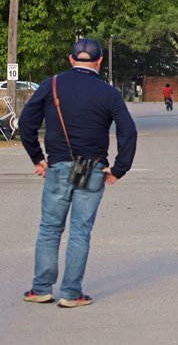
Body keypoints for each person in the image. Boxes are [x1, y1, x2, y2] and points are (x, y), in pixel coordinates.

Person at [19, 38, 137, 308]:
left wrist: (38, 158)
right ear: (99, 62)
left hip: (59, 165)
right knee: (80, 232)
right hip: (91, 167)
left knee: (50, 228)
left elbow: (26, 122)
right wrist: (119, 168)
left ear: (71, 59)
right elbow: (128, 131)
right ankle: (72, 293)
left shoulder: (53, 84)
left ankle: (41, 289)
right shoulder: (109, 93)